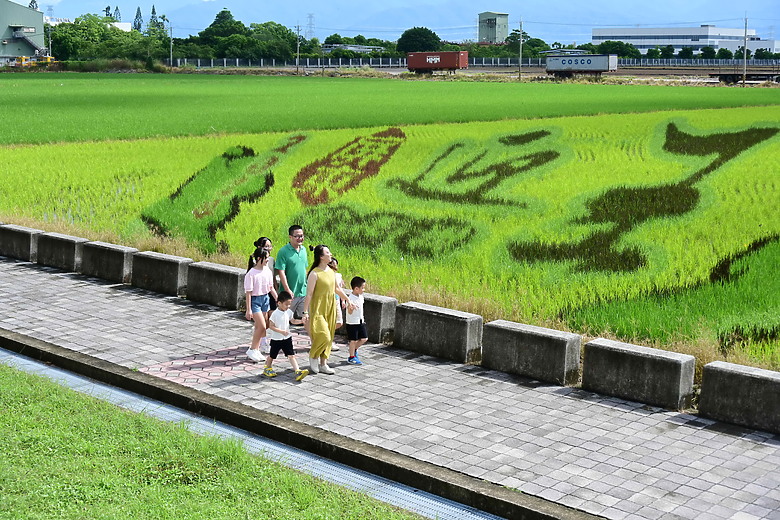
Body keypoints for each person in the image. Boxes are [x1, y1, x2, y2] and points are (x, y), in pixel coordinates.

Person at [302, 245, 353, 375]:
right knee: (323, 335)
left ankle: (324, 363)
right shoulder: (314, 274)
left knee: (330, 336)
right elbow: (309, 294)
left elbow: (337, 289)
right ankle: (313, 355)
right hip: (318, 308)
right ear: (321, 257)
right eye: (327, 253)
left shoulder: (331, 272)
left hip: (330, 307)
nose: (330, 255)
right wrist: (305, 312)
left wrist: (348, 300)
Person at [263, 291, 309, 381]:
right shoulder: (275, 314)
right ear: (279, 303)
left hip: (287, 338)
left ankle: (297, 370)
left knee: (291, 355)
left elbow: (293, 321)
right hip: (276, 339)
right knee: (272, 355)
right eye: (286, 304)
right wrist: (281, 331)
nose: (288, 306)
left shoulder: (289, 312)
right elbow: (271, 326)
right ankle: (267, 368)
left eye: (289, 304)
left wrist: (301, 321)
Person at [244, 248, 277, 363]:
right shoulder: (251, 274)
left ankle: (256, 349)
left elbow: (270, 287)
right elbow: (248, 293)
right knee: (262, 326)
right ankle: (252, 349)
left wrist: (277, 299)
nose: (268, 260)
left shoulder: (267, 271)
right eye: (266, 258)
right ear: (259, 258)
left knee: (261, 326)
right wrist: (248, 310)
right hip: (255, 301)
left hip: (265, 300)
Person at [275, 225, 308, 326]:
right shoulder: (283, 252)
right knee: (283, 319)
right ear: (290, 237)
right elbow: (281, 272)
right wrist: (287, 289)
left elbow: (304, 269)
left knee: (306, 319)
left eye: (302, 236)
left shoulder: (303, 250)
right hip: (289, 294)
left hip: (303, 292)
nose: (300, 238)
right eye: (297, 236)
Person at [346, 276, 368, 365]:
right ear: (356, 288)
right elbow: (349, 312)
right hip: (352, 323)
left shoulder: (360, 296)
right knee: (353, 340)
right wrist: (351, 308)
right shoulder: (350, 299)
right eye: (362, 288)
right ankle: (351, 357)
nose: (364, 290)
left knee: (364, 338)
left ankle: (354, 349)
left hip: (360, 321)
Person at [328, 256, 344, 352]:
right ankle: (328, 341)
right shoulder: (324, 274)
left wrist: (344, 300)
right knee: (330, 322)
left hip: (336, 300)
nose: (334, 266)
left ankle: (326, 337)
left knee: (339, 322)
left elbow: (340, 289)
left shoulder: (338, 276)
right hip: (328, 300)